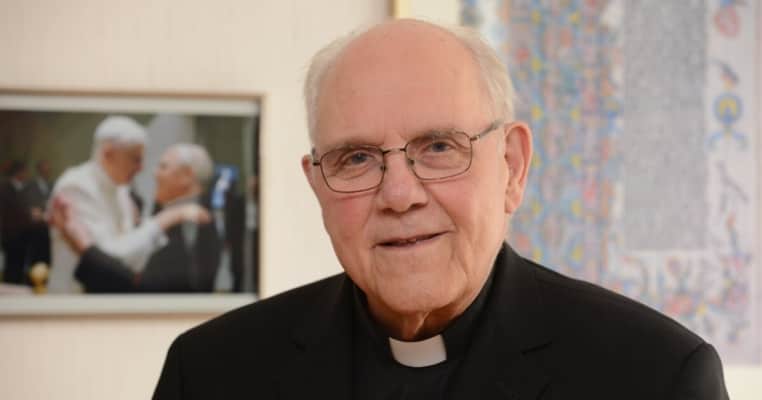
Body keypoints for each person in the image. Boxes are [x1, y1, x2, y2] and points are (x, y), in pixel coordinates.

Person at [152, 20, 729, 399]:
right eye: (356, 158)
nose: (400, 195)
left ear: (512, 167)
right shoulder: (210, 374)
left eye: (438, 148)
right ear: (318, 186)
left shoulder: (654, 376)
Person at [50, 143, 221, 292]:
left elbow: (142, 288)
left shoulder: (194, 222)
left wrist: (84, 247)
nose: (154, 173)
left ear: (186, 176)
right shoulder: (176, 215)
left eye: (163, 167)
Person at [49, 116, 170, 292]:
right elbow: (104, 260)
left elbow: (131, 263)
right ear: (108, 154)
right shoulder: (75, 186)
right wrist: (163, 221)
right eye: (135, 159)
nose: (141, 168)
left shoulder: (121, 190)